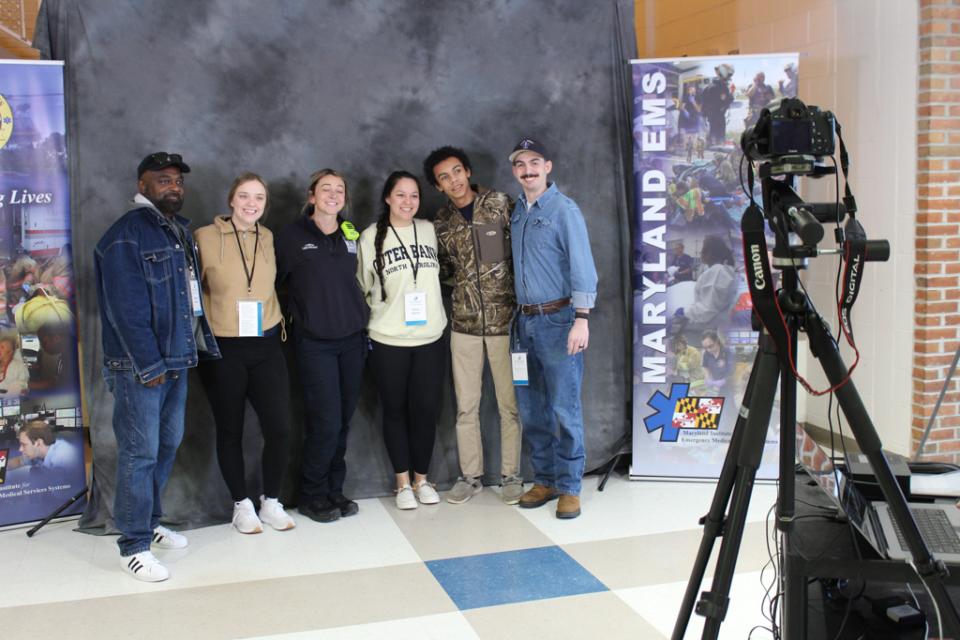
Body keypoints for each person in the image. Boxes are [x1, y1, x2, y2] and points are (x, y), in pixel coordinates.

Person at [94, 152, 220, 582]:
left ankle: (147, 521)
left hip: (176, 360)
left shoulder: (178, 231)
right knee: (140, 451)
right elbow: (125, 311)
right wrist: (149, 365)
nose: (174, 187)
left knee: (167, 445)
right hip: (140, 367)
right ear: (142, 184)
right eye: (163, 180)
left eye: (178, 181)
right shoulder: (125, 237)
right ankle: (133, 543)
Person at [195, 172, 295, 535]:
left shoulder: (268, 237)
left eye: (259, 198)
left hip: (266, 342)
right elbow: (192, 292)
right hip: (224, 347)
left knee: (280, 428)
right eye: (244, 196)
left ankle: (270, 501)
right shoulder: (205, 238)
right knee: (230, 429)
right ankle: (242, 505)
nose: (252, 204)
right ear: (231, 200)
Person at [422, 146, 522, 505]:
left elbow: (522, 249)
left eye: (457, 171)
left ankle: (512, 475)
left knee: (509, 405)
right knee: (467, 406)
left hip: (504, 323)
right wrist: (468, 290)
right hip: (463, 325)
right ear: (438, 186)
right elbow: (445, 272)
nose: (454, 180)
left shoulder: (500, 203)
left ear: (468, 170)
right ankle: (471, 476)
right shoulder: (441, 223)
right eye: (444, 177)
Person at [508, 138, 597, 520]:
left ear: (548, 166)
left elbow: (583, 264)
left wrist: (582, 318)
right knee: (532, 408)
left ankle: (570, 486)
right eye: (520, 165)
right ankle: (543, 478)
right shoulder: (516, 212)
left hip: (559, 321)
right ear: (515, 171)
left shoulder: (564, 209)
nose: (528, 170)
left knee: (564, 406)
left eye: (534, 163)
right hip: (523, 322)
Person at [276, 169, 368, 523]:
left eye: (339, 189)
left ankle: (334, 489)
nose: (333, 194)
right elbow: (273, 282)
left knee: (343, 420)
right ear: (312, 196)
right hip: (315, 343)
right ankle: (311, 494)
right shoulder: (292, 236)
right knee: (324, 421)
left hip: (352, 341)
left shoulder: (350, 233)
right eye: (325, 189)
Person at [357, 171, 447, 510]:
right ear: (387, 198)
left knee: (425, 411)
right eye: (400, 195)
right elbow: (362, 287)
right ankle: (402, 483)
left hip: (429, 338)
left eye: (414, 196)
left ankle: (423, 479)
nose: (407, 202)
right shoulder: (369, 237)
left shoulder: (428, 230)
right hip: (387, 339)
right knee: (394, 411)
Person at [676, 235, 738, 329]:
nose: (700, 252)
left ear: (709, 253)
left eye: (702, 250)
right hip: (715, 322)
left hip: (712, 325)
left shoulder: (717, 272)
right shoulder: (721, 270)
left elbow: (708, 308)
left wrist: (685, 311)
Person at [28, 321, 78, 392]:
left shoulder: (73, 353)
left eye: (44, 343)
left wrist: (25, 385)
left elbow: (57, 382)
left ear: (56, 338)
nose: (43, 348)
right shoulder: (65, 354)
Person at [12, 420, 78, 473]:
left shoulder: (63, 457)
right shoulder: (37, 452)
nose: (20, 449)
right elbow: (19, 461)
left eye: (24, 445)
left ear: (38, 442)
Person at [701, 64, 734, 146]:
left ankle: (710, 145)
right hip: (718, 116)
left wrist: (704, 116)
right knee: (719, 137)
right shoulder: (722, 87)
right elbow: (727, 100)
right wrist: (731, 93)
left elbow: (703, 103)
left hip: (711, 117)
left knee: (712, 134)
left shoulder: (708, 87)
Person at [701, 330, 733, 396]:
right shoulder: (706, 354)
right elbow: (705, 366)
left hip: (728, 388)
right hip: (714, 387)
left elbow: (733, 371)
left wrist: (724, 380)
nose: (708, 350)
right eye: (705, 347)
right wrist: (708, 377)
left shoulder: (728, 352)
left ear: (716, 341)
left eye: (710, 346)